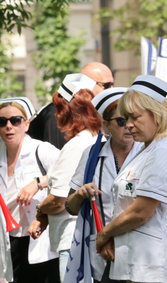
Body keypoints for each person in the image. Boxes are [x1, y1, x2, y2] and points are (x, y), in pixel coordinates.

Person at [95, 75, 167, 282]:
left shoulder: (166, 150)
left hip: (154, 268)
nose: (128, 125)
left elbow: (141, 211)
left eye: (134, 117)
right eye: (125, 119)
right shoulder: (148, 149)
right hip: (136, 264)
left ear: (156, 114)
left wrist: (105, 234)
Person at [29, 73, 102, 282]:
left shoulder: (76, 145)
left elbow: (59, 200)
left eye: (59, 108)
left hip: (72, 241)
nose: (56, 115)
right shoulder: (96, 139)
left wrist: (40, 210)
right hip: (86, 238)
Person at [65, 87, 141, 283]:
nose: (129, 126)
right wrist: (81, 193)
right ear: (106, 126)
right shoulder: (91, 155)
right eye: (121, 121)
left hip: (139, 252)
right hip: (103, 253)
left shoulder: (147, 153)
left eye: (132, 120)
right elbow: (70, 207)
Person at [0, 97, 60, 283]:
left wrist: (38, 182)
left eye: (15, 120)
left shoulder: (41, 150)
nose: (9, 126)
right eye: (2, 122)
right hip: (8, 240)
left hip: (40, 238)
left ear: (27, 124)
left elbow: (71, 175)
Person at [27, 62, 114, 149]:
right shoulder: (58, 113)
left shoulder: (93, 111)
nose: (112, 89)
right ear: (87, 83)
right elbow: (57, 157)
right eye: (107, 85)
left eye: (112, 84)